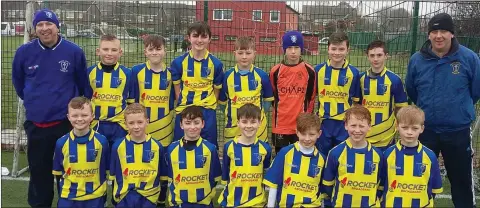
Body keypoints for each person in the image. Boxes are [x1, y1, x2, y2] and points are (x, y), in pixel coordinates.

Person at [11, 8, 89, 207]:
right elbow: (19, 85)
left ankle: (70, 203)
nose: (45, 28)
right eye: (40, 25)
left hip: (65, 125)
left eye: (49, 24)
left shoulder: (73, 52)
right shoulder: (23, 52)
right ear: (34, 29)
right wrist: (35, 101)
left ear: (57, 26)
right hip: (36, 124)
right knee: (39, 171)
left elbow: (83, 87)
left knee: (69, 171)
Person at [405, 13, 480, 207]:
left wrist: (458, 110)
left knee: (462, 182)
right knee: (421, 181)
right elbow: (412, 89)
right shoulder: (417, 60)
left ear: (452, 34)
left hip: (458, 131)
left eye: (443, 31)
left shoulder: (469, 58)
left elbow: (475, 91)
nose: (439, 35)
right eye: (434, 31)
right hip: (425, 130)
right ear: (429, 35)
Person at [131, 34, 173, 206]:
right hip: (143, 128)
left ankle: (161, 198)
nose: (155, 52)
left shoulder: (172, 74)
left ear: (165, 51)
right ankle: (140, 194)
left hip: (165, 128)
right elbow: (133, 102)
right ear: (145, 52)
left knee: (162, 164)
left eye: (158, 48)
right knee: (143, 162)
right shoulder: (136, 72)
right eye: (151, 49)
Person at [170, 22, 224, 147]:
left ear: (209, 39)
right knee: (181, 147)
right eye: (195, 36)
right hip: (185, 109)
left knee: (208, 148)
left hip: (207, 111)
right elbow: (177, 89)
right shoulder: (178, 62)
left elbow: (216, 90)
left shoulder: (216, 64)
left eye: (204, 36)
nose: (199, 40)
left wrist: (209, 105)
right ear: (189, 38)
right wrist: (183, 103)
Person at [380, 105, 443, 207]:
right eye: (405, 127)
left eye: (414, 128)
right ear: (397, 126)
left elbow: (434, 189)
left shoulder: (430, 156)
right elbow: (381, 185)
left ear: (422, 129)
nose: (409, 132)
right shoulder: (387, 154)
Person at [53, 97, 109, 207]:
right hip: (69, 198)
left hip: (95, 196)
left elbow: (104, 171)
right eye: (75, 115)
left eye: (84, 115)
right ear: (68, 117)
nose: (79, 119)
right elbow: (58, 173)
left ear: (92, 116)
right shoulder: (61, 143)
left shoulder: (102, 141)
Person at [322, 105, 382, 207]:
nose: (357, 130)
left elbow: (381, 185)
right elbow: (328, 185)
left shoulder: (378, 155)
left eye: (361, 126)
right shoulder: (335, 153)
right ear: (345, 125)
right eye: (353, 125)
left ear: (369, 127)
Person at [110, 103, 168, 208]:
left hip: (149, 197)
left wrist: (161, 200)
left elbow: (163, 177)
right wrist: (115, 201)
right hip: (125, 197)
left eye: (140, 122)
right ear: (125, 124)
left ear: (147, 121)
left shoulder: (157, 146)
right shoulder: (118, 146)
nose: (136, 126)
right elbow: (114, 176)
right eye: (131, 123)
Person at [263, 113, 325, 207]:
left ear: (319, 134)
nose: (307, 139)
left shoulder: (322, 159)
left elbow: (322, 190)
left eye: (311, 134)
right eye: (303, 134)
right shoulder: (285, 153)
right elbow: (273, 183)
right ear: (297, 132)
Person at [269, 30, 317, 154]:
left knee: (300, 158)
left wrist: (306, 120)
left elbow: (311, 98)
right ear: (284, 49)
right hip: (280, 125)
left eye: (296, 47)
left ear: (302, 49)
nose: (293, 51)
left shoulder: (310, 71)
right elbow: (273, 96)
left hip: (301, 126)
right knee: (281, 159)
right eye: (289, 47)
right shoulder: (275, 71)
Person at [314, 32, 361, 156]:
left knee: (342, 156)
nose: (337, 52)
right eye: (333, 49)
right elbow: (312, 97)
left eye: (341, 49)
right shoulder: (318, 70)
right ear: (328, 49)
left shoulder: (354, 73)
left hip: (344, 124)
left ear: (347, 50)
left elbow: (356, 101)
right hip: (324, 122)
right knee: (322, 156)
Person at [219, 37, 274, 142]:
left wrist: (258, 114)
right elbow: (222, 103)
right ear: (234, 53)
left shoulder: (261, 75)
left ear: (254, 54)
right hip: (234, 128)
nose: (244, 57)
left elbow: (267, 102)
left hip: (257, 128)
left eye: (248, 53)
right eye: (240, 53)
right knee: (234, 156)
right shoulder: (227, 76)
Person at [165, 105, 222, 208]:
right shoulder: (171, 149)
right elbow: (171, 178)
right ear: (181, 125)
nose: (192, 127)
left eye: (196, 122)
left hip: (204, 204)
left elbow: (215, 178)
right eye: (188, 123)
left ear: (203, 124)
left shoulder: (211, 149)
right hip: (179, 204)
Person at [218, 104, 272, 207]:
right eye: (244, 122)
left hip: (257, 203)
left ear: (259, 123)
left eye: (253, 122)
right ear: (238, 123)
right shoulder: (228, 147)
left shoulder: (265, 148)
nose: (248, 126)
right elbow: (226, 174)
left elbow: (265, 170)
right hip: (232, 203)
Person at [86, 34, 134, 147]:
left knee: (117, 159)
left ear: (120, 52)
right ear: (98, 51)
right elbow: (86, 100)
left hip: (119, 125)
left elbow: (132, 102)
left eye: (114, 50)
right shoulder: (89, 72)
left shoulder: (127, 73)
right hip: (96, 124)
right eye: (105, 49)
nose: (109, 53)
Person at [360, 40, 408, 152]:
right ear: (367, 56)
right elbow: (356, 105)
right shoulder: (360, 78)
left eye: (379, 55)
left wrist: (400, 128)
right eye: (372, 55)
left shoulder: (394, 80)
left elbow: (401, 108)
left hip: (386, 135)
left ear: (386, 56)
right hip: (365, 133)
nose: (375, 59)